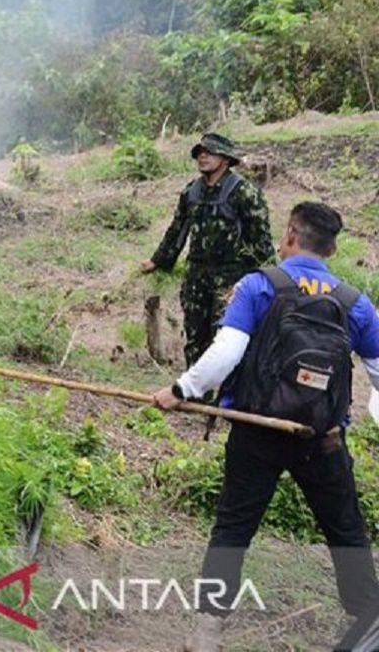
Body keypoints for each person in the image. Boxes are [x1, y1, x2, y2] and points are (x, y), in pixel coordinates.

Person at [153, 202, 379, 652]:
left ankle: (207, 635)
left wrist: (181, 390)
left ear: (292, 234)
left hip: (257, 431)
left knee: (233, 529)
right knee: (346, 532)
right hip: (324, 439)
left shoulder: (260, 286)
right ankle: (369, 626)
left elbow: (225, 353)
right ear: (332, 247)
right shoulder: (355, 303)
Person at [141, 133, 273, 366]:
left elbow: (261, 242)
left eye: (209, 152)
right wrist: (158, 261)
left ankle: (222, 396)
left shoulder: (244, 193)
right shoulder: (191, 192)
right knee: (195, 338)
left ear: (225, 159)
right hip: (196, 277)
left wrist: (262, 279)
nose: (202, 156)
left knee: (224, 338)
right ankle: (194, 392)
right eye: (199, 153)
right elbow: (177, 230)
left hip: (231, 279)